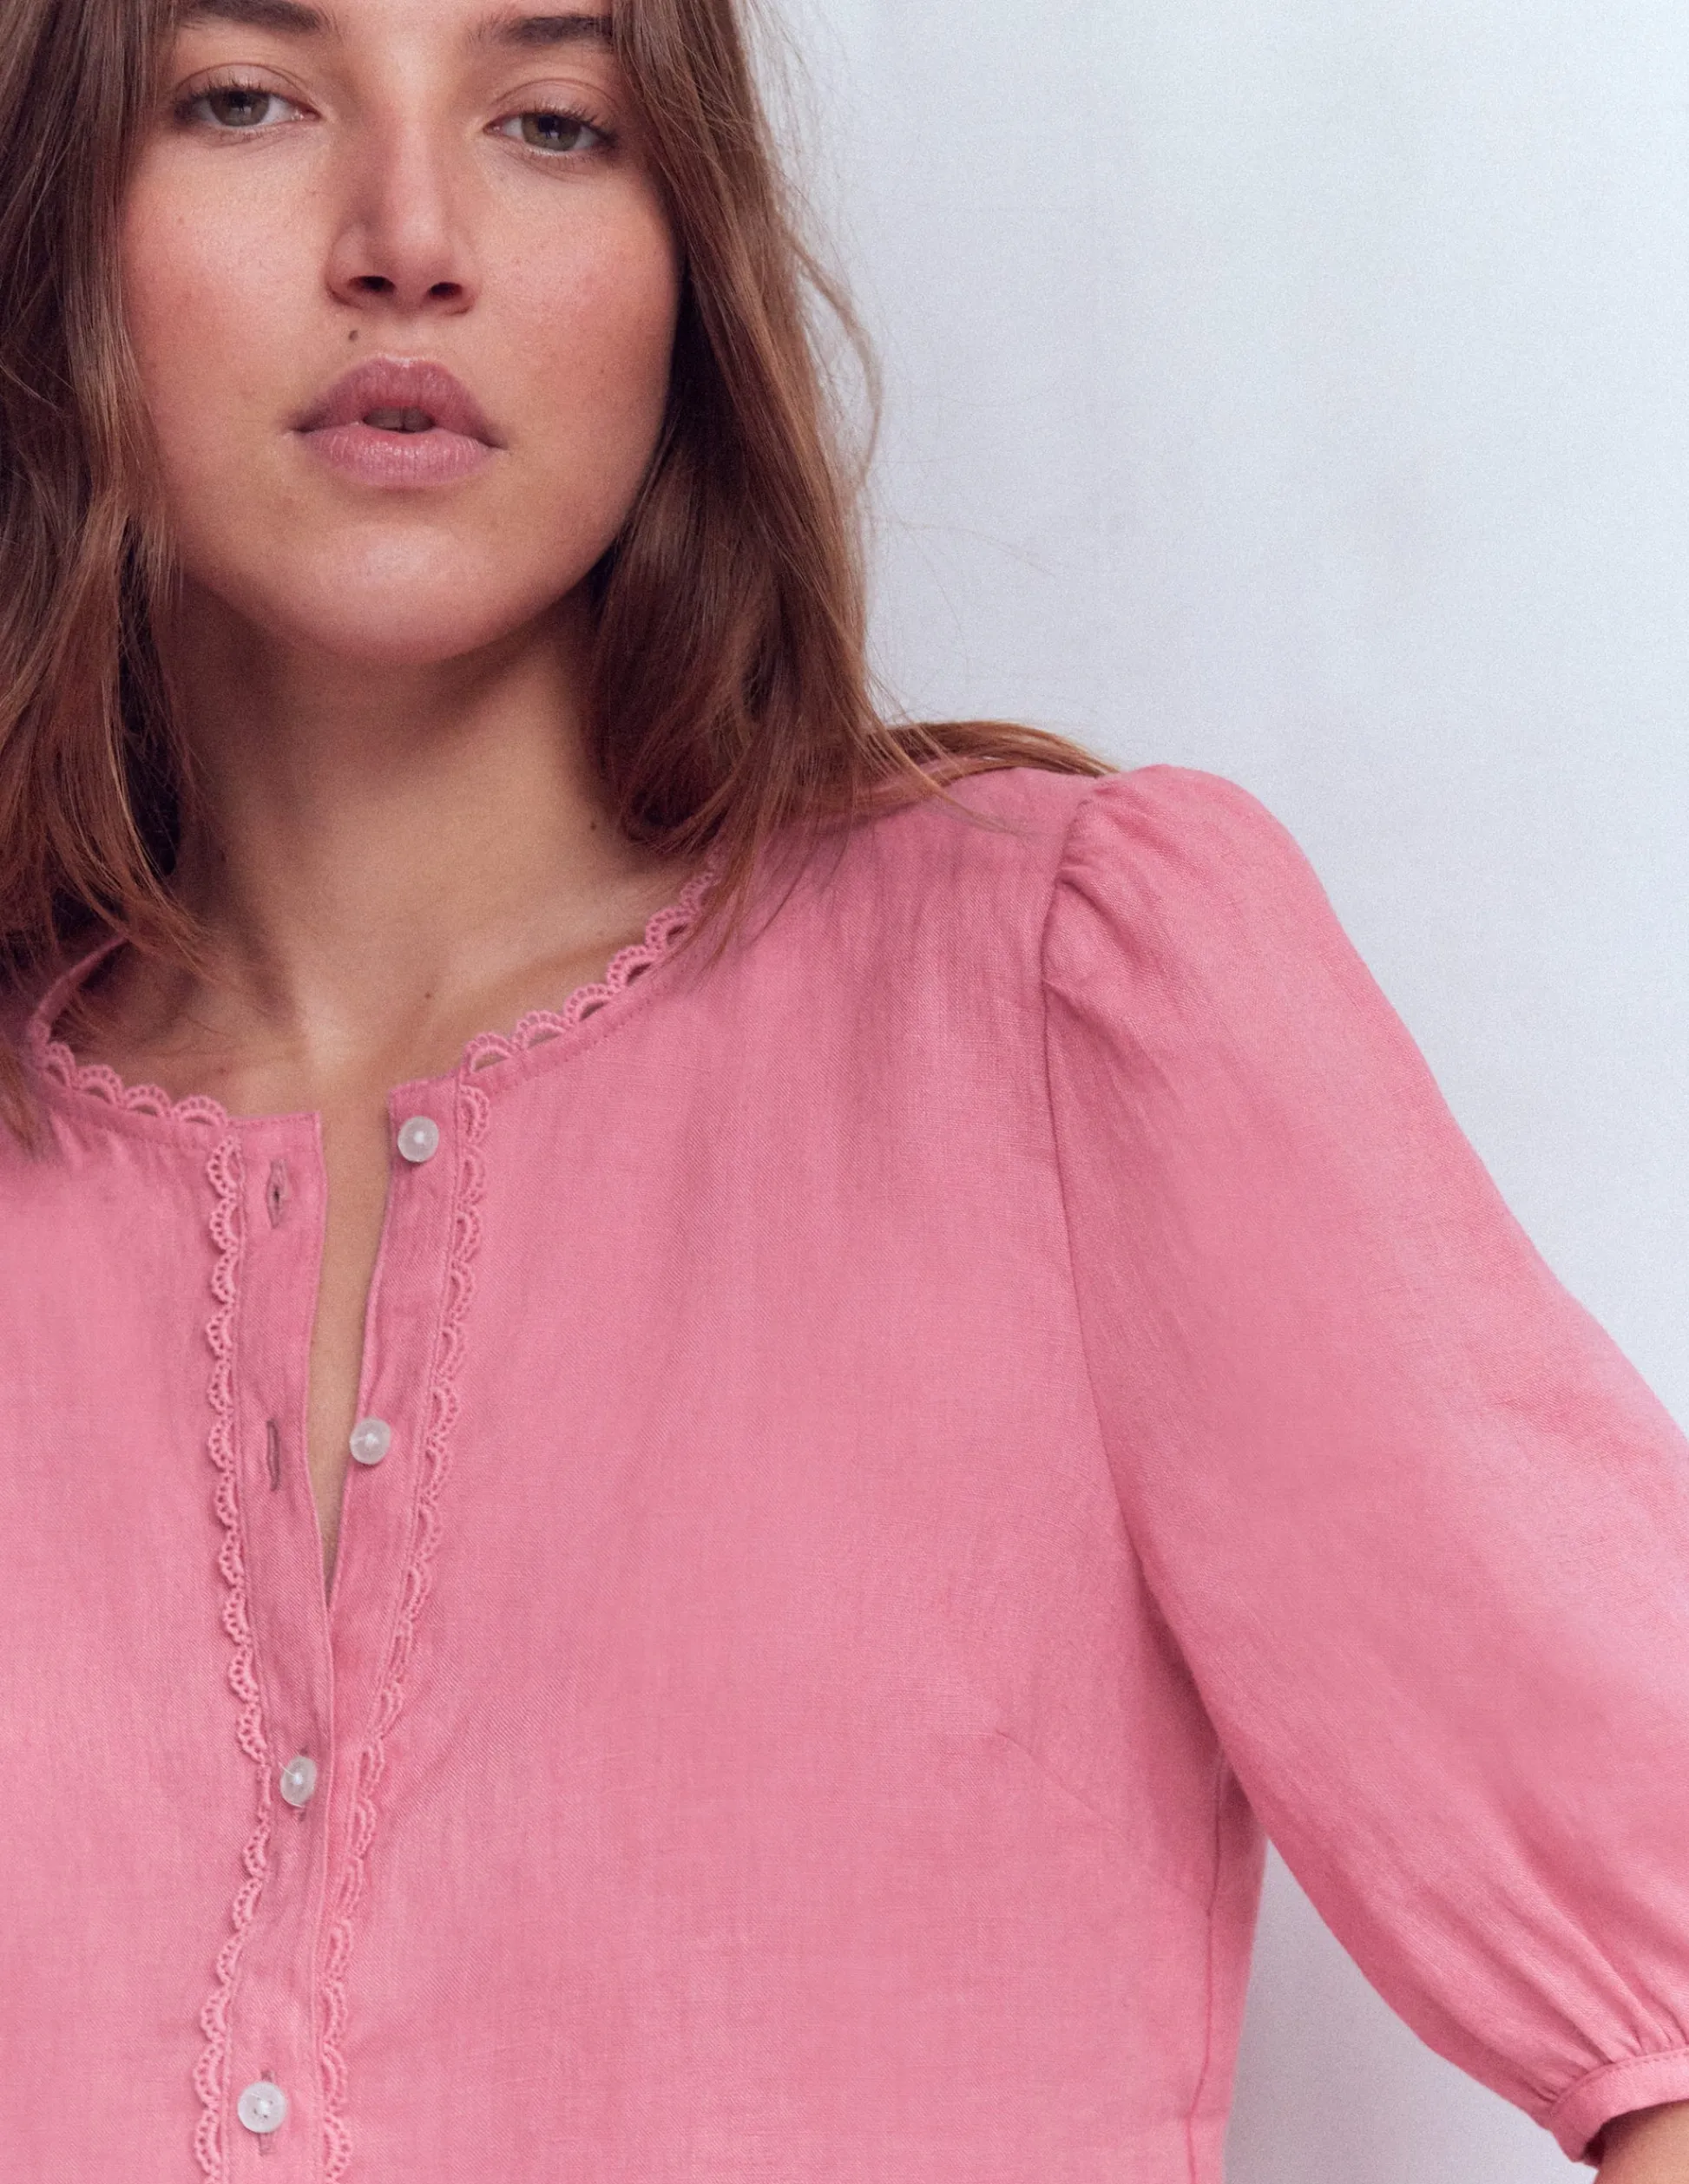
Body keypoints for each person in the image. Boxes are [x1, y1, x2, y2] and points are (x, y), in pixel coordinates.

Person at [1, 0, 1686, 2176]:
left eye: (552, 121)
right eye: (244, 99)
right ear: (56, 213)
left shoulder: (1066, 1004)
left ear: (685, 255)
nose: (408, 236)